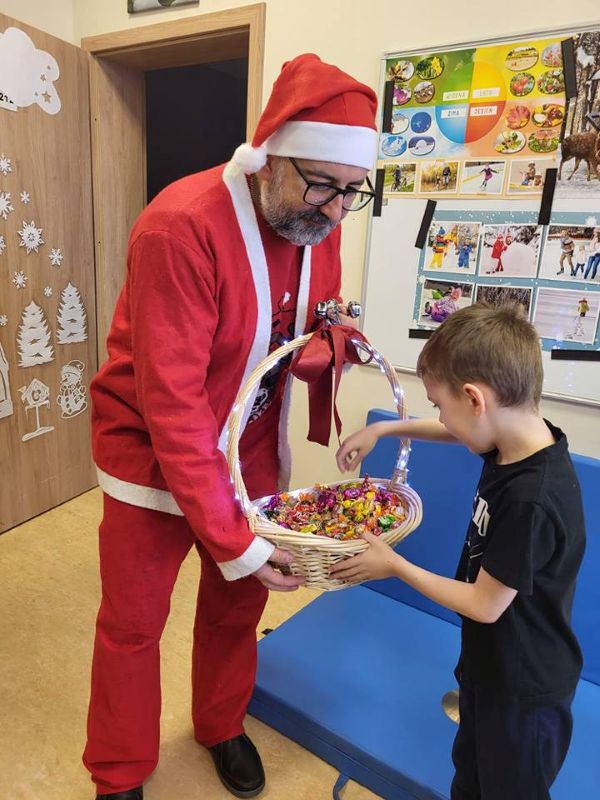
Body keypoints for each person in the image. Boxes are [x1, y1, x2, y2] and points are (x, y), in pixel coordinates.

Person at [83, 53, 378, 800]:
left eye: (353, 191)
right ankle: (118, 768)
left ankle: (219, 722)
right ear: (270, 156)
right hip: (152, 452)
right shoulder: (179, 227)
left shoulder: (319, 219)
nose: (335, 210)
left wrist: (334, 343)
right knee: (134, 621)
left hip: (248, 447)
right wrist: (232, 540)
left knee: (237, 605)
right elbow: (174, 407)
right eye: (322, 183)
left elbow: (300, 337)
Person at [332, 303, 585, 800]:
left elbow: (484, 604)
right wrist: (383, 429)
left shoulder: (533, 498)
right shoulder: (514, 437)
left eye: (439, 404)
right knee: (469, 778)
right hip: (489, 668)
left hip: (523, 694)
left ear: (474, 399)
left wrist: (394, 565)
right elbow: (457, 428)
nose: (441, 417)